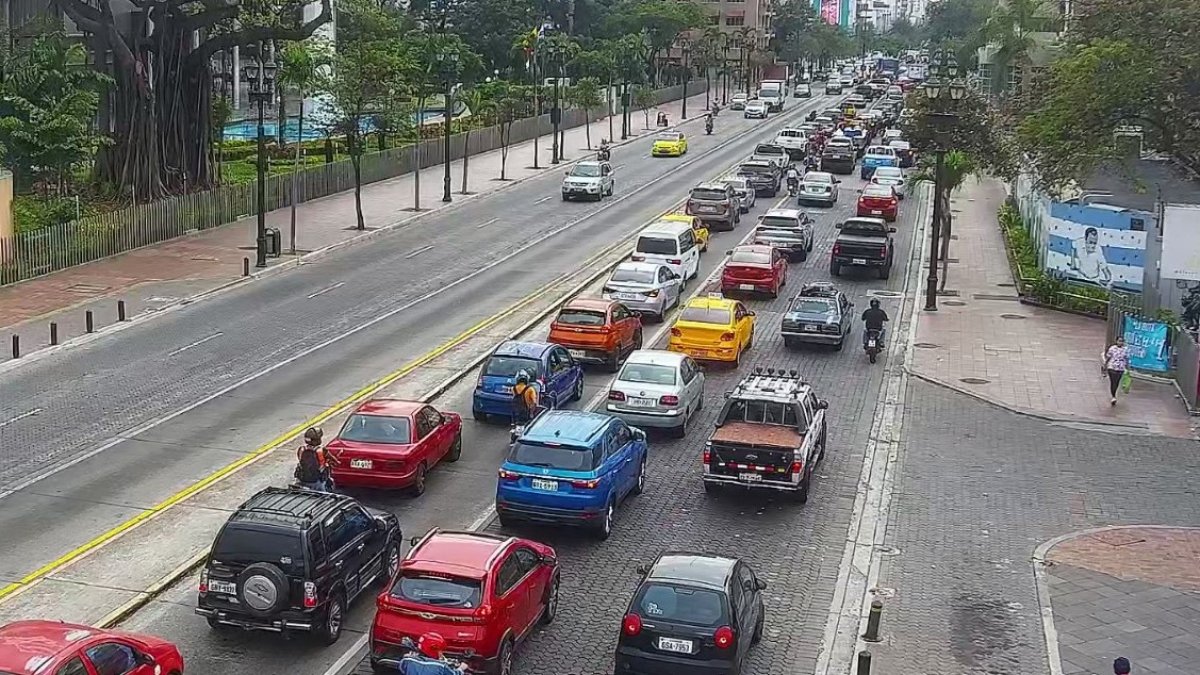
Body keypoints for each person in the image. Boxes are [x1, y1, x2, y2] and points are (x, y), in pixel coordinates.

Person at [399, 633, 465, 675]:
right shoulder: (441, 667)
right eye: (440, 651)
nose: (441, 653)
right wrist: (461, 668)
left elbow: (402, 669)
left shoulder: (407, 660)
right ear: (433, 650)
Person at [294, 427, 333, 492]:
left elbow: (300, 459)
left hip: (302, 478)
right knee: (324, 497)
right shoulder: (322, 450)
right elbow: (333, 459)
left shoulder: (301, 449)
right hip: (317, 480)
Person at [1103, 336, 1129, 405]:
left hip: (1120, 368)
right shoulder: (1112, 348)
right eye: (1119, 341)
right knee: (1113, 381)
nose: (1120, 342)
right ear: (1116, 341)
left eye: (1122, 341)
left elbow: (1126, 359)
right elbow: (1108, 357)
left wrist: (1127, 368)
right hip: (1112, 367)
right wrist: (1105, 365)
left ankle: (1114, 393)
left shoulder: (1125, 349)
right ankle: (1113, 396)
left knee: (1117, 382)